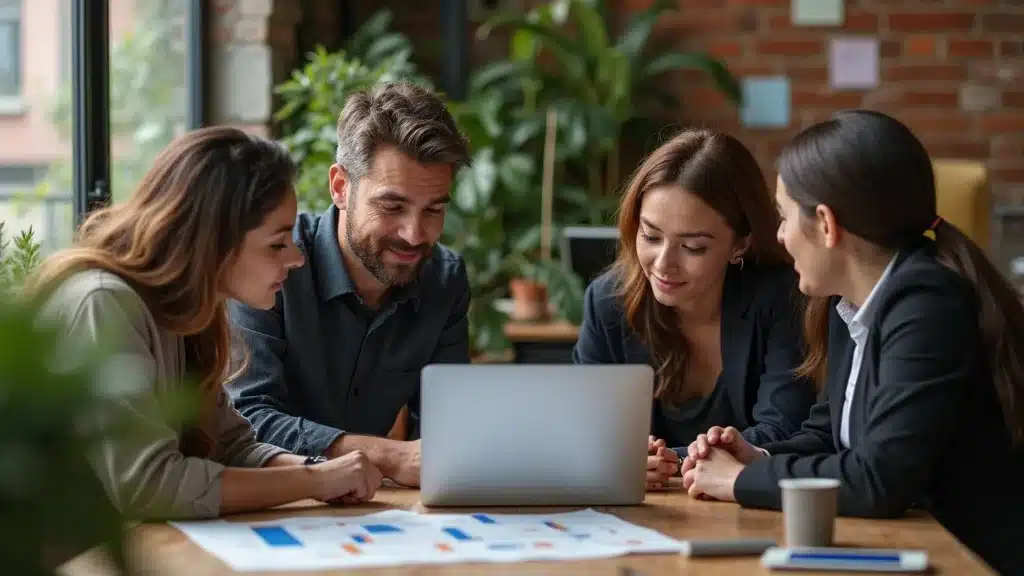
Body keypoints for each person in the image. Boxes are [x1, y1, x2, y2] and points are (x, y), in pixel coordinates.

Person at [680, 110, 1024, 575]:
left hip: (968, 560)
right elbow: (830, 434)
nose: (779, 236)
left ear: (825, 223)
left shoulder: (927, 306)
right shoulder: (852, 301)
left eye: (784, 217)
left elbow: (877, 480)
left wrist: (741, 481)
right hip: (910, 547)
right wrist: (758, 456)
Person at [27, 127, 384, 521]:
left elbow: (233, 447)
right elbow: (148, 485)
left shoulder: (187, 314)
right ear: (212, 241)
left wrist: (319, 471)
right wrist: (315, 481)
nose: (296, 258)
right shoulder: (103, 303)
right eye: (277, 243)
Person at [225, 82, 471, 487]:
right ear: (340, 187)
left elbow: (447, 426)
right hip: (267, 503)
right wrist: (387, 455)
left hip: (371, 509)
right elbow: (246, 419)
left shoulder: (444, 279)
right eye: (392, 206)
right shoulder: (269, 266)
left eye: (433, 210)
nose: (414, 234)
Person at [572, 128, 815, 490]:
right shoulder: (608, 300)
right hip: (644, 509)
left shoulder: (783, 298)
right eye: (651, 236)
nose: (663, 264)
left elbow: (782, 429)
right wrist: (617, 459)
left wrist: (661, 461)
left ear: (740, 244)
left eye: (693, 247)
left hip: (745, 503)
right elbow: (585, 430)